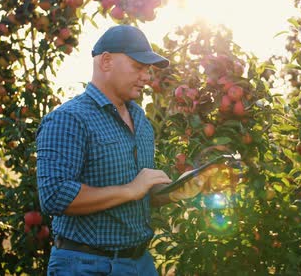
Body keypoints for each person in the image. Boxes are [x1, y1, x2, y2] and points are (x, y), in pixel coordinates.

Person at [36, 25, 213, 275]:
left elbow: (139, 194)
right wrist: (131, 190)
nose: (147, 77)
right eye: (138, 67)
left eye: (148, 70)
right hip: (86, 264)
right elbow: (54, 196)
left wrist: (182, 189)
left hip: (139, 263)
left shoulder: (140, 120)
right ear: (106, 61)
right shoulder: (69, 118)